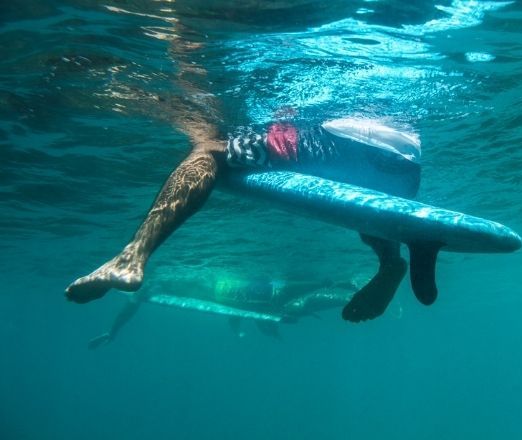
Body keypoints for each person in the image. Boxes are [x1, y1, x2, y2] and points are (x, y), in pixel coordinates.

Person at [64, 18, 437, 323]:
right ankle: (390, 258)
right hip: (406, 167)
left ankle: (132, 257)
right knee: (359, 198)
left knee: (210, 149)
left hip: (345, 141)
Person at [87, 275, 360, 349]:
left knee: (289, 299)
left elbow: (132, 304)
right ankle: (346, 290)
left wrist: (113, 331)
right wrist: (112, 331)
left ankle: (343, 288)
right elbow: (227, 307)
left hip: (244, 293)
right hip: (241, 294)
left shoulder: (157, 283)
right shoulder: (155, 284)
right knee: (291, 302)